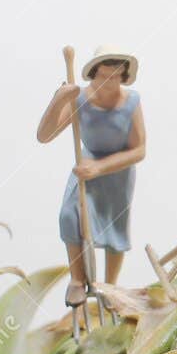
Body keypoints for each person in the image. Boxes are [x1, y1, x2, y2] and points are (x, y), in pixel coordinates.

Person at [35, 47, 146, 306]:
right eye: (103, 76)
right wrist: (59, 100)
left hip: (117, 172)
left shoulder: (131, 102)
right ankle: (77, 280)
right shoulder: (80, 100)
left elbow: (139, 150)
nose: (109, 82)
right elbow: (44, 136)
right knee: (69, 216)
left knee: (114, 230)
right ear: (93, 75)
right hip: (85, 167)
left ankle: (109, 286)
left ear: (124, 77)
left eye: (116, 77)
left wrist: (101, 168)